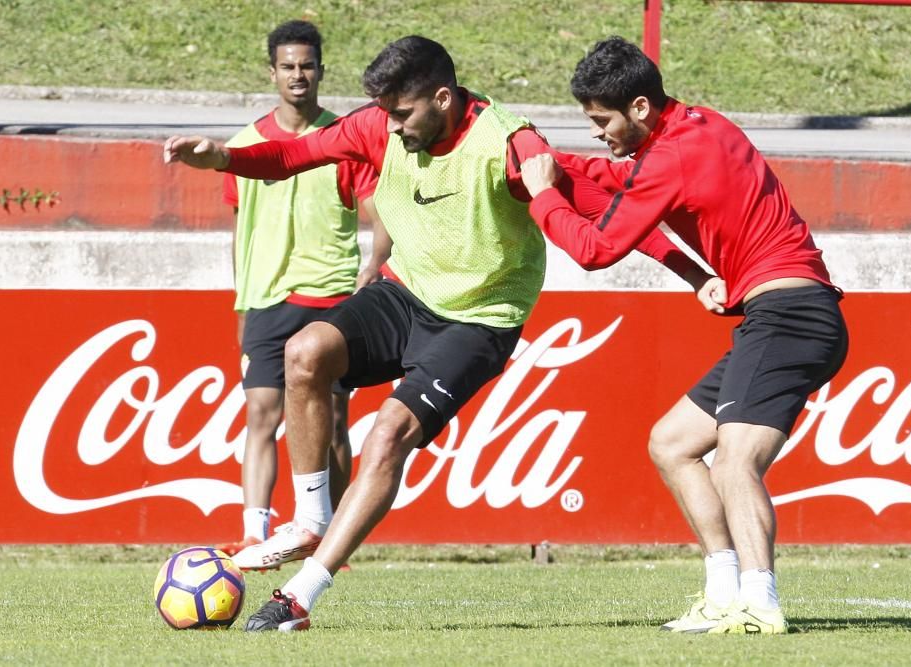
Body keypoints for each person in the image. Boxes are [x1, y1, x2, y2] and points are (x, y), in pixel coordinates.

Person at [165, 35, 712, 633]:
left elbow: (600, 209)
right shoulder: (379, 125)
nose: (392, 128)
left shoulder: (509, 143)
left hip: (480, 318)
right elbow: (293, 156)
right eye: (387, 114)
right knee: (305, 352)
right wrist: (221, 158)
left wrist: (695, 276)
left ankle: (299, 597)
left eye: (403, 114)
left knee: (387, 435)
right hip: (406, 293)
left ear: (444, 98)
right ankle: (311, 517)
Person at [518, 36, 848, 634]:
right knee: (673, 443)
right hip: (788, 313)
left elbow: (594, 250)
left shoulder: (668, 157)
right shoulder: (699, 124)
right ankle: (724, 591)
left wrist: (542, 195)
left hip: (790, 314)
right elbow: (619, 185)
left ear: (640, 107)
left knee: (734, 462)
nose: (597, 133)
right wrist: (555, 166)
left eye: (601, 120)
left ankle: (760, 602)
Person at [216, 20, 390, 571]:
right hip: (267, 298)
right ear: (273, 72)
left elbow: (378, 212)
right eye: (288, 66)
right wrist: (242, 299)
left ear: (320, 70)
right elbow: (240, 230)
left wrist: (375, 260)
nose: (298, 74)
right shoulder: (243, 146)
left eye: (307, 65)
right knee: (261, 412)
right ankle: (254, 532)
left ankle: (329, 532)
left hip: (331, 295)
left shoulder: (345, 140)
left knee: (334, 417)